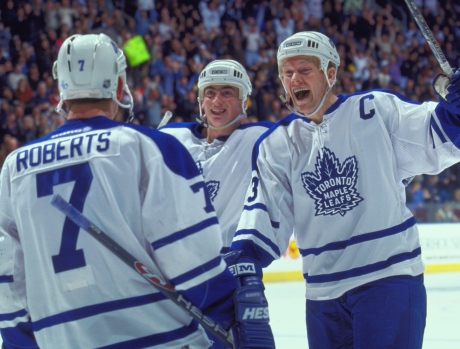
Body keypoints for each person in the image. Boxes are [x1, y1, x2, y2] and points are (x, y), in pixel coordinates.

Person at [0, 34, 271, 349]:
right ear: (118, 85)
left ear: (61, 85)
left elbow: (8, 277)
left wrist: (22, 343)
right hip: (157, 338)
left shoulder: (15, 167)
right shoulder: (150, 147)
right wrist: (233, 304)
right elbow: (192, 262)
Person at [230, 31, 460, 348]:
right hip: (322, 294)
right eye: (287, 72)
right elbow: (265, 218)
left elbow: (438, 138)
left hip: (387, 280)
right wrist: (241, 266)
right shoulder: (275, 144)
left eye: (305, 70)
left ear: (330, 73)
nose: (294, 78)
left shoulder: (375, 111)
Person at [159, 60, 276, 348]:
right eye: (209, 93)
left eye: (227, 93)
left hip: (231, 277)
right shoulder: (171, 139)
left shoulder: (260, 140)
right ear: (200, 100)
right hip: (176, 277)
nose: (217, 101)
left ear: (243, 100)